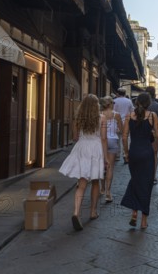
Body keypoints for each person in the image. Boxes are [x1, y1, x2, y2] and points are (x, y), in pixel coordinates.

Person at [59, 94, 108, 231]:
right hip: (96, 148)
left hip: (82, 147)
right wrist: (106, 158)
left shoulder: (78, 119)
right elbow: (104, 139)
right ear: (96, 105)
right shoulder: (102, 118)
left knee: (82, 183)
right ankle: (92, 212)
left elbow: (74, 137)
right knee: (96, 181)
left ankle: (76, 212)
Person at [121, 92, 158, 229]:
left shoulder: (128, 116)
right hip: (147, 153)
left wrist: (126, 152)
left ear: (137, 102)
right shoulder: (152, 116)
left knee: (136, 181)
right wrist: (154, 144)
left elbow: (125, 137)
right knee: (147, 185)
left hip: (134, 153)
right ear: (148, 103)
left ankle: (134, 213)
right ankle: (144, 220)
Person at [99, 96, 123, 202]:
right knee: (110, 167)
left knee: (101, 165)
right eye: (113, 102)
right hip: (113, 140)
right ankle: (108, 192)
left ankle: (102, 188)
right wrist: (117, 129)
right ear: (109, 104)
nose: (114, 103)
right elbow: (121, 129)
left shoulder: (99, 115)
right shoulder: (116, 115)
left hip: (100, 141)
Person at [113, 88, 134, 164]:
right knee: (126, 139)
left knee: (117, 139)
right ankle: (125, 155)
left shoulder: (114, 101)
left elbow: (113, 112)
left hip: (116, 122)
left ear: (117, 93)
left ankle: (117, 156)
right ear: (125, 93)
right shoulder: (129, 101)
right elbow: (132, 111)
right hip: (126, 122)